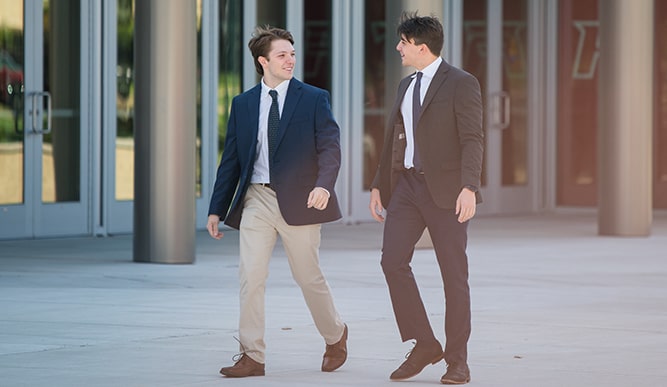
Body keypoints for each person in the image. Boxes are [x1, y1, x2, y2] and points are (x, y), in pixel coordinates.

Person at [207, 25, 348, 378]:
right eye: (282, 54)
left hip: (302, 200)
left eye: (292, 53)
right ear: (263, 61)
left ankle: (335, 335)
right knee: (250, 276)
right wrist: (216, 208)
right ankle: (252, 355)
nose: (290, 60)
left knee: (308, 277)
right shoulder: (242, 104)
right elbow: (232, 160)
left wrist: (324, 185)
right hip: (257, 197)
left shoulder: (314, 98)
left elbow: (330, 147)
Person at [368, 12, 483, 385]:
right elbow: (393, 139)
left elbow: (472, 139)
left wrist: (470, 187)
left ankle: (457, 361)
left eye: (403, 42)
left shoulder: (462, 83)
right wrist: (378, 185)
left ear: (421, 46)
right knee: (392, 262)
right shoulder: (406, 86)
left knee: (454, 276)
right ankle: (425, 343)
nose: (398, 48)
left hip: (447, 192)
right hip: (406, 189)